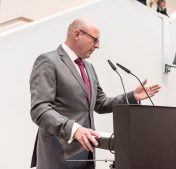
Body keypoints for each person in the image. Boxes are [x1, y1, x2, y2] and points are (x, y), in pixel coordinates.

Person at [29, 18, 161, 169]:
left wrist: (132, 96)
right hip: (58, 157)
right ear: (77, 34)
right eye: (95, 40)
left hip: (87, 155)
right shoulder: (48, 61)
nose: (98, 46)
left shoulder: (89, 67)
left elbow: (101, 103)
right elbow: (40, 110)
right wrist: (74, 129)